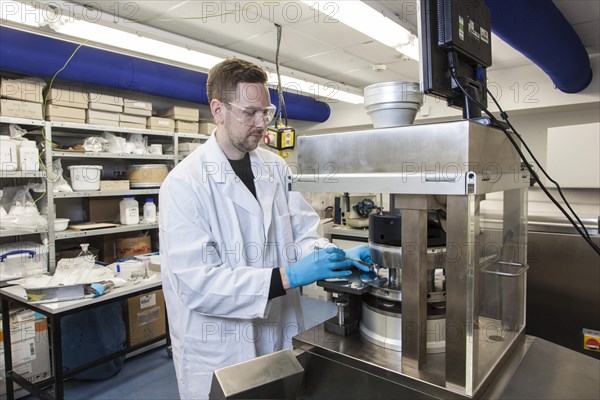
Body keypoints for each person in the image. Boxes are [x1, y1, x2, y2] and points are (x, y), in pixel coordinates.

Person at [159, 58, 372, 399]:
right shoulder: (184, 184)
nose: (262, 124)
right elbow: (197, 284)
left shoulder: (275, 167)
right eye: (250, 113)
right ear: (218, 109)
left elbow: (302, 235)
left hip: (279, 331)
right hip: (221, 349)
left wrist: (334, 256)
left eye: (267, 112)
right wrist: (286, 277)